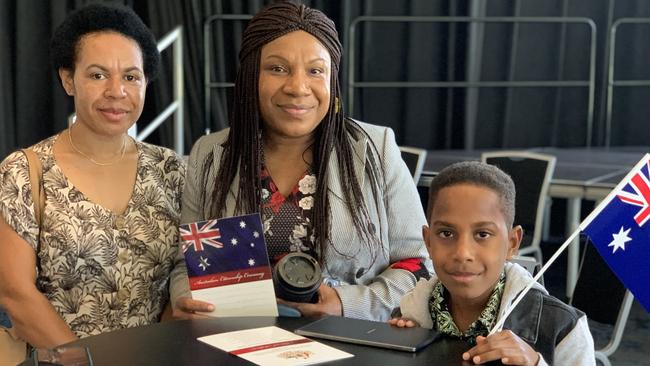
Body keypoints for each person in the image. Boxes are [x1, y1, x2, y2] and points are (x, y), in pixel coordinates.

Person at [170, 1, 432, 321]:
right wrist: (187, 299)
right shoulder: (211, 155)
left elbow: (418, 265)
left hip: (351, 341)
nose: (297, 87)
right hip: (242, 339)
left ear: (331, 81)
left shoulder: (376, 148)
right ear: (252, 76)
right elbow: (190, 264)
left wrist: (349, 303)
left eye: (315, 70)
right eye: (277, 68)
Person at [0, 3, 185, 350]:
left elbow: (186, 276)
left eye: (131, 76)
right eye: (98, 75)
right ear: (68, 79)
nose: (117, 91)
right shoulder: (24, 173)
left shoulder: (172, 170)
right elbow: (16, 295)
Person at [389, 161, 595, 365]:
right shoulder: (409, 313)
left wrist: (536, 363)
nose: (463, 253)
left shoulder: (562, 328)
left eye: (482, 234)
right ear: (428, 241)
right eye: (446, 233)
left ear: (512, 243)